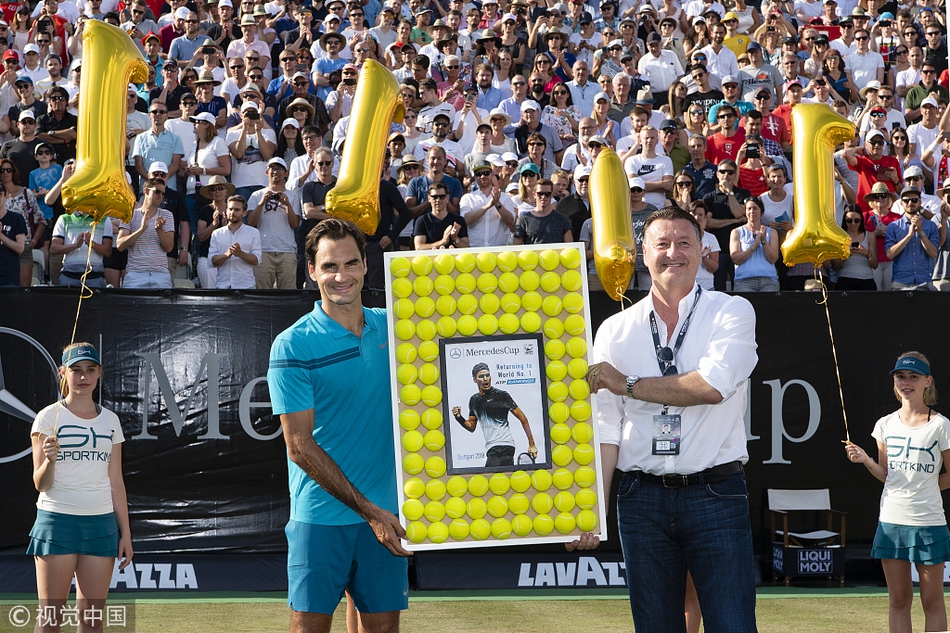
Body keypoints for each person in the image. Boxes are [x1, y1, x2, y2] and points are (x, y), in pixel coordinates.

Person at [580, 206, 758, 633]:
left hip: (716, 493)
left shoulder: (732, 311)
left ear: (702, 249)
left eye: (684, 243)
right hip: (640, 498)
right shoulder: (614, 330)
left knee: (733, 625)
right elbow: (606, 428)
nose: (673, 253)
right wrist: (591, 510)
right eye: (661, 244)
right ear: (643, 253)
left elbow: (711, 387)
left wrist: (626, 383)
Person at [267, 218, 410, 633]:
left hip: (388, 513)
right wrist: (370, 511)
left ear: (365, 265)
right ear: (312, 271)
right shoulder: (292, 344)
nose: (341, 276)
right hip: (321, 518)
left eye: (350, 263)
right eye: (329, 266)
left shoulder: (398, 328)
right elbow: (299, 447)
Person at [28, 342, 133, 632]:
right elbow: (40, 483)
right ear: (63, 373)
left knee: (91, 620)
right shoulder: (47, 417)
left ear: (99, 373)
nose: (83, 377)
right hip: (57, 523)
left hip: (101, 526)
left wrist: (125, 533)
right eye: (76, 370)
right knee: (51, 619)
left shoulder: (111, 420)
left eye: (90, 369)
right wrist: (50, 461)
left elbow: (116, 480)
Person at [845, 352, 950, 633]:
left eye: (913, 377)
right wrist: (866, 460)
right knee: (899, 600)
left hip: (929, 523)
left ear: (928, 381)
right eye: (900, 376)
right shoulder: (885, 424)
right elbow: (886, 474)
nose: (906, 382)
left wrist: (925, 488)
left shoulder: (941, 425)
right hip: (892, 522)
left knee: (933, 602)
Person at [451, 362, 538, 467]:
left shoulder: (502, 395)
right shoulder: (474, 400)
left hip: (504, 445)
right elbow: (471, 426)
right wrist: (459, 417)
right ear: (475, 379)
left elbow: (523, 418)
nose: (485, 379)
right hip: (492, 447)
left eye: (487, 375)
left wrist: (532, 444)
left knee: (490, 475)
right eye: (481, 376)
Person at [115, 177, 175, 288]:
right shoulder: (130, 215)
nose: (160, 196)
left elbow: (169, 247)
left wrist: (159, 230)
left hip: (160, 274)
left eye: (163, 193)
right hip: (135, 274)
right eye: (157, 191)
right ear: (146, 191)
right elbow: (120, 245)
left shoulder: (167, 215)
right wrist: (141, 229)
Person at [885, 186, 939, 291]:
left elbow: (933, 254)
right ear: (901, 203)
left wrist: (921, 232)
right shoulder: (894, 226)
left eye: (914, 200)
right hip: (900, 282)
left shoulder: (930, 226)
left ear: (920, 202)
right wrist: (908, 236)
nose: (910, 203)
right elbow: (890, 254)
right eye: (906, 200)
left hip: (923, 281)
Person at [209, 193, 261, 289]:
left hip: (246, 286)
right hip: (223, 286)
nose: (232, 212)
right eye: (230, 209)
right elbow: (212, 261)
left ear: (244, 213)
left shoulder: (253, 233)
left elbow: (256, 260)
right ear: (226, 210)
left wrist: (240, 254)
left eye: (237, 210)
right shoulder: (217, 233)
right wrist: (226, 255)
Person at [730, 196, 779, 291]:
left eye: (755, 208)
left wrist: (764, 242)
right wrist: (753, 246)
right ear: (745, 212)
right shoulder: (737, 232)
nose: (752, 211)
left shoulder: (771, 232)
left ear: (761, 211)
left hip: (768, 281)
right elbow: (735, 259)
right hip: (744, 282)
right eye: (749, 209)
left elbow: (773, 259)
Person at [831, 204, 878, 291]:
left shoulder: (869, 236)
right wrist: (846, 255)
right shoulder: (839, 237)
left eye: (857, 220)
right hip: (845, 280)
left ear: (861, 220)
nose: (853, 224)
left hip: (866, 280)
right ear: (844, 220)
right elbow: (835, 266)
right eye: (849, 221)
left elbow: (875, 265)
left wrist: (867, 254)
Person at [513, 177, 573, 245]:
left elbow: (570, 247)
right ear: (534, 194)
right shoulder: (524, 220)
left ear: (552, 195)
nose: (543, 197)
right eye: (540, 193)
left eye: (547, 194)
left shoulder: (563, 220)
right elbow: (516, 246)